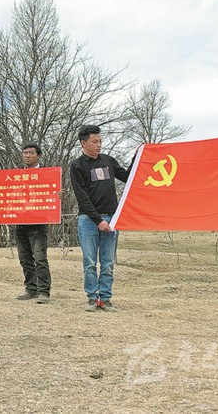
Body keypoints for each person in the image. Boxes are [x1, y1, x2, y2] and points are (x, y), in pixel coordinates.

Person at [70, 125, 130, 312]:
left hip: (111, 219)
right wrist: (98, 220)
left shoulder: (108, 161)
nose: (99, 145)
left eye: (100, 141)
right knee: (89, 262)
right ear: (83, 143)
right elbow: (82, 197)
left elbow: (128, 177)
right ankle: (92, 298)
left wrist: (138, 157)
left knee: (108, 262)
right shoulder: (77, 165)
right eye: (94, 141)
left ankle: (105, 298)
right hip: (88, 221)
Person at [14, 144, 51, 304]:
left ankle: (43, 291)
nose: (27, 156)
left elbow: (53, 194)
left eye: (31, 153)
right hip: (20, 223)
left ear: (38, 156)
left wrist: (58, 196)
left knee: (40, 258)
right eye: (25, 153)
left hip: (38, 224)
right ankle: (31, 288)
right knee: (24, 258)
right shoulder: (15, 174)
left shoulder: (47, 174)